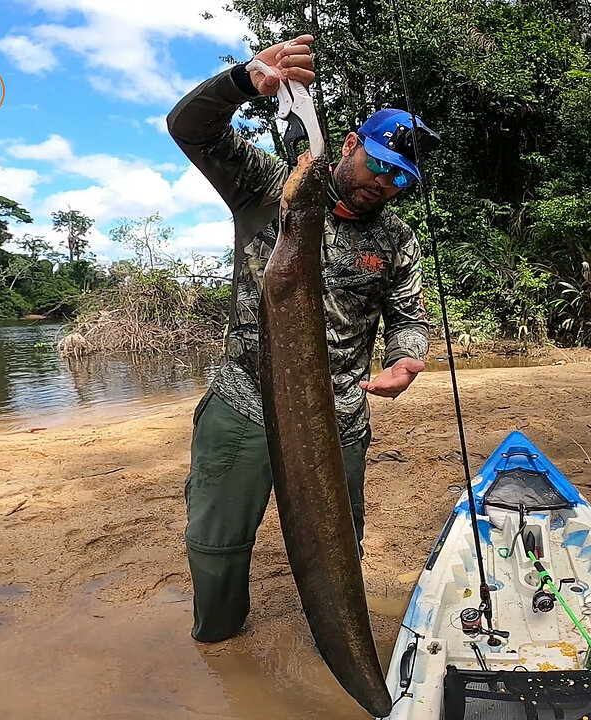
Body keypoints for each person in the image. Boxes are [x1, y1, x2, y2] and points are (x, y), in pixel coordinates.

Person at [166, 34, 438, 644]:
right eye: (380, 164)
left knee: (338, 546)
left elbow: (408, 317)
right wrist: (243, 82)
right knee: (216, 543)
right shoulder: (266, 190)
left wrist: (406, 359)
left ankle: (335, 645)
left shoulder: (395, 240)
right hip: (245, 403)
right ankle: (219, 643)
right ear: (349, 144)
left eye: (401, 177)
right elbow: (188, 128)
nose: (386, 183)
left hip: (338, 415)